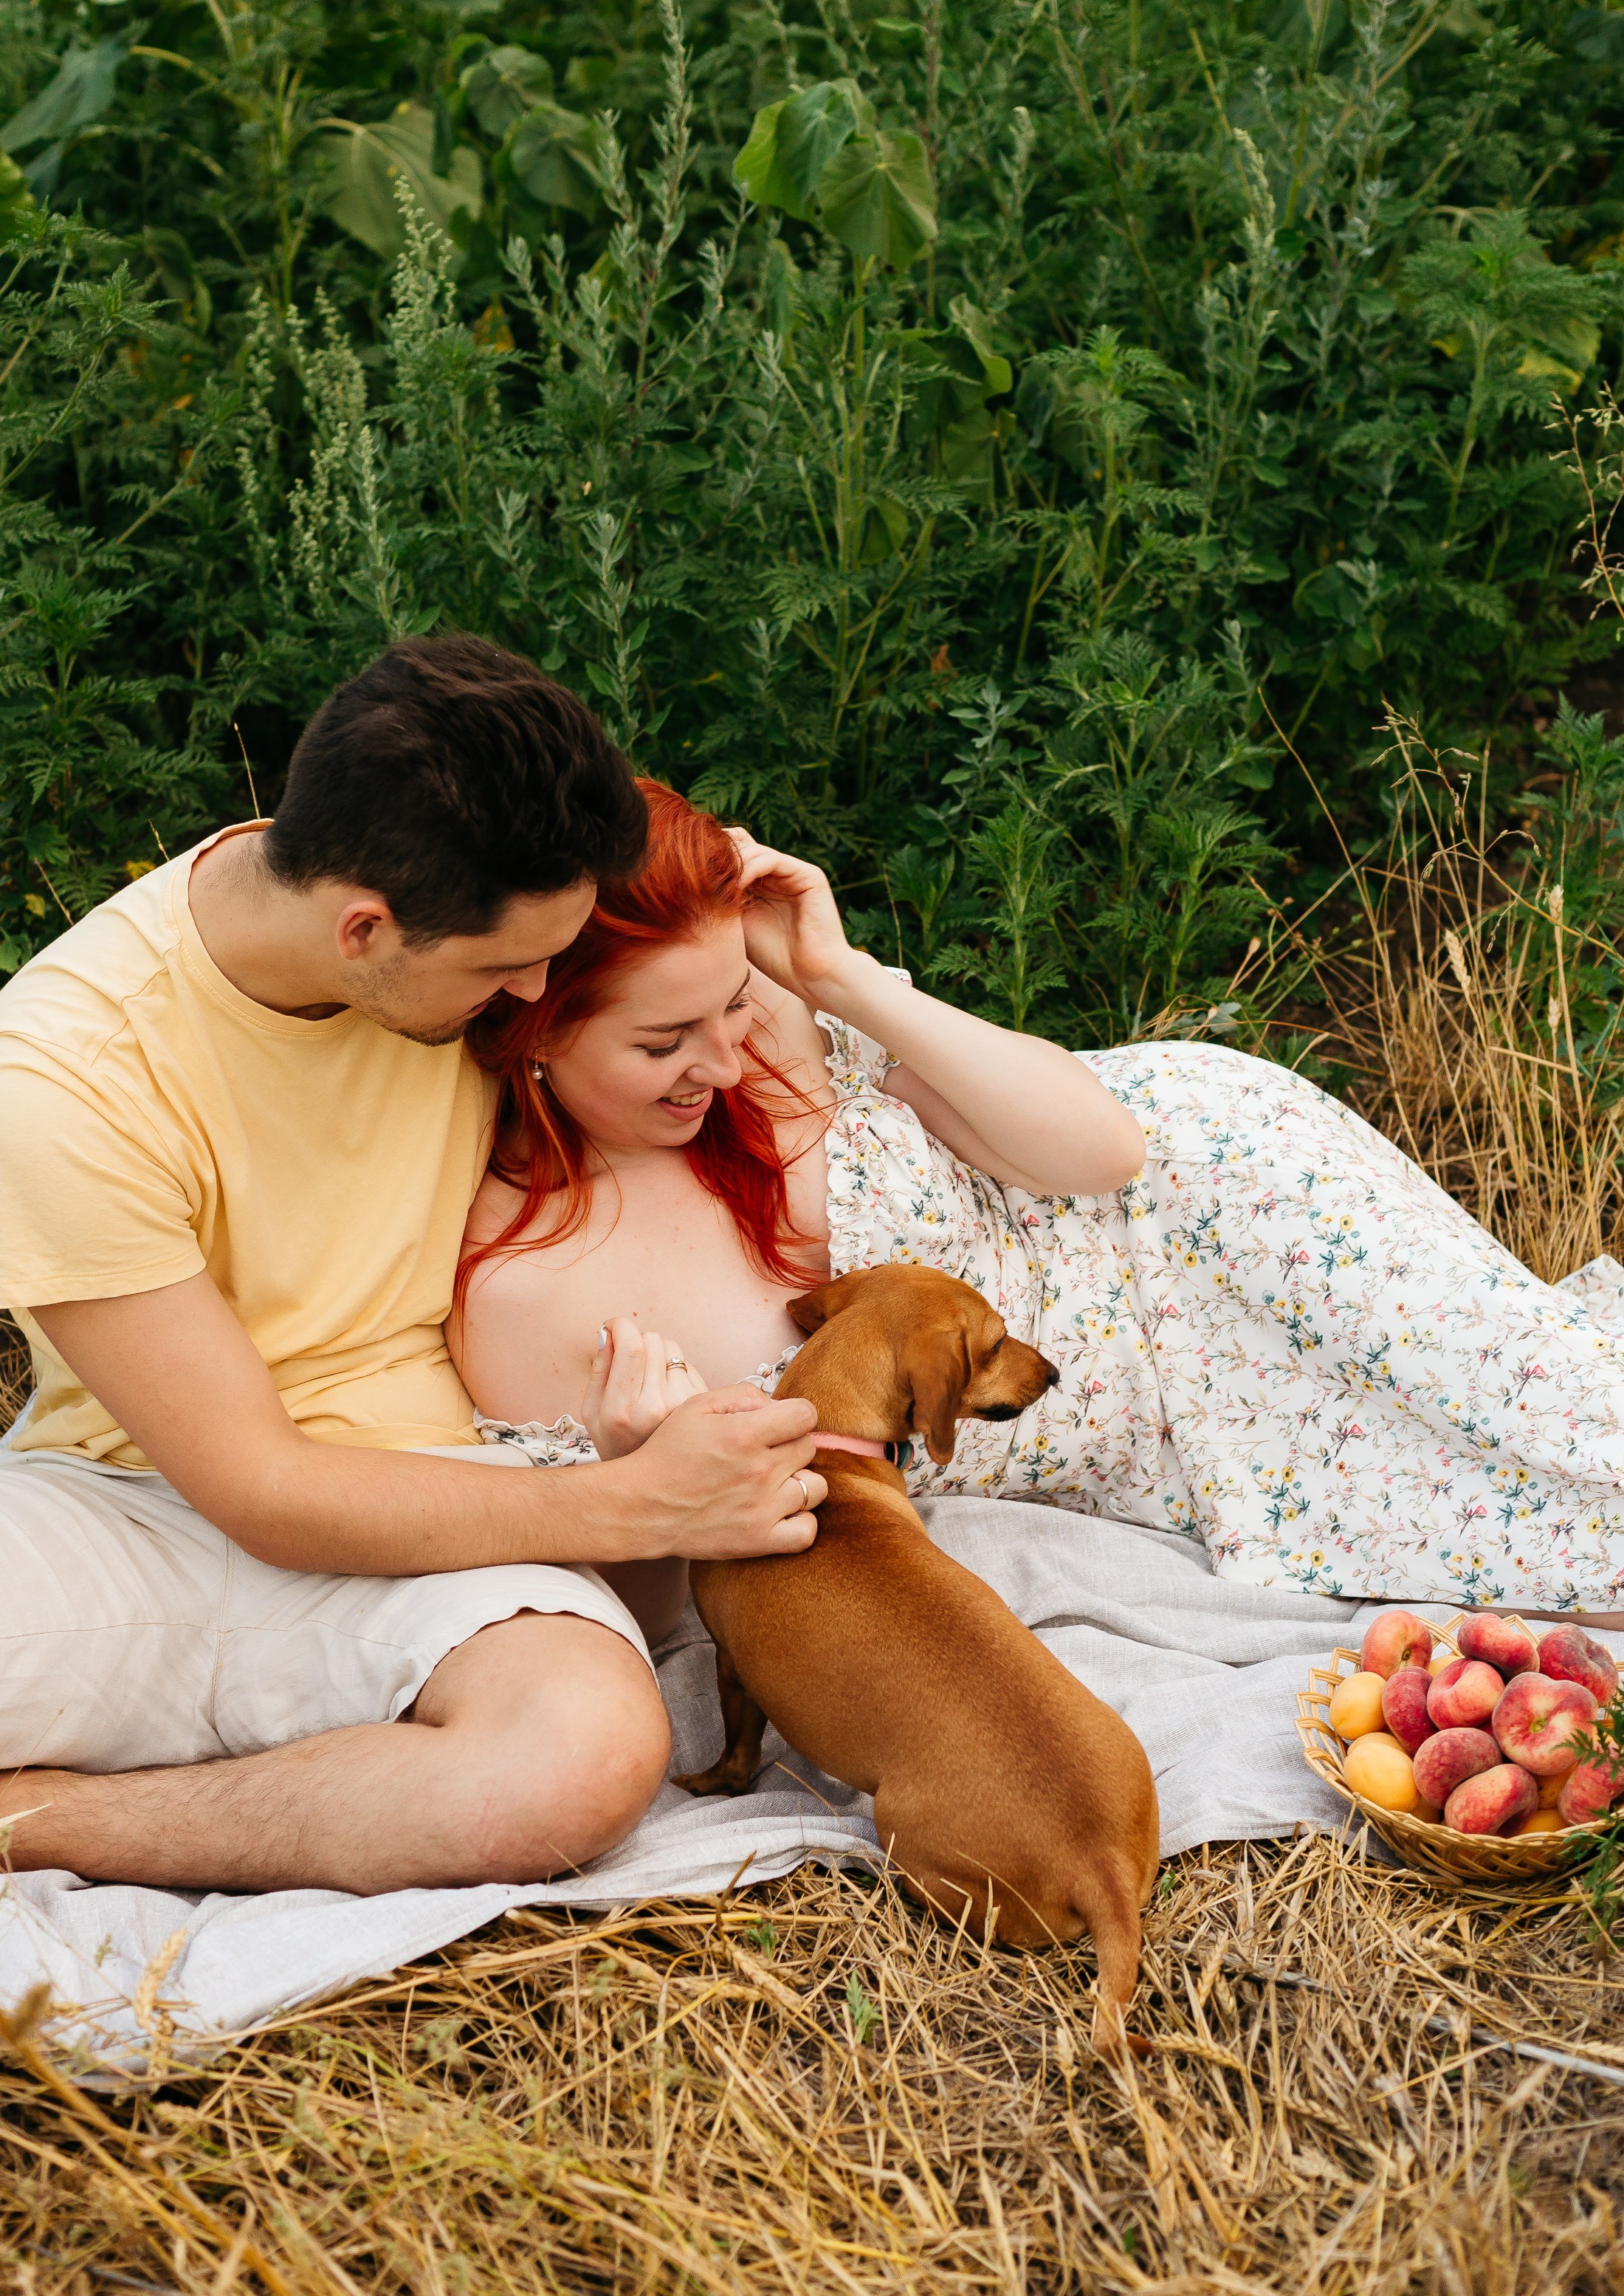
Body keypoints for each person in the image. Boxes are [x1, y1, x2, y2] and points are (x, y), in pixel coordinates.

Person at [0, 640, 826, 1896]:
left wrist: (765, 930)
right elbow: (257, 1485)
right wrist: (643, 1506)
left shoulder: (481, 900)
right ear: (363, 929)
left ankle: (52, 1820)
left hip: (449, 1506)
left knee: (583, 1759)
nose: (539, 994)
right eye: (505, 970)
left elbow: (675, 970)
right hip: (135, 1507)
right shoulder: (63, 1080)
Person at [455, 781, 1624, 1622]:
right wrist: (633, 1480)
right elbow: (653, 1626)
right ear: (535, 1025)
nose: (720, 1060)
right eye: (665, 1040)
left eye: (728, 1008)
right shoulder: (530, 1294)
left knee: (1574, 1424)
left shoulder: (762, 1021)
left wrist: (833, 978)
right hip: (1150, 1444)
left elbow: (1108, 1152)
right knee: (1554, 1548)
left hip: (1216, 1213)